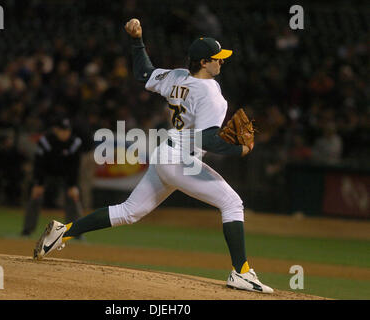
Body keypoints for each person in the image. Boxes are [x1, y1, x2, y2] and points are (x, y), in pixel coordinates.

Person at [33, 19, 273, 294]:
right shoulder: (211, 95)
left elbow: (143, 73)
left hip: (166, 155)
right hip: (181, 160)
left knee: (129, 211)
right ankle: (241, 272)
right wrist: (240, 149)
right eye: (217, 59)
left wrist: (137, 40)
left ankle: (62, 231)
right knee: (232, 204)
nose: (222, 62)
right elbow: (205, 139)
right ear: (204, 62)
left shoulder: (177, 76)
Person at [21, 116, 90, 237]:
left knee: (74, 198)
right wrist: (39, 183)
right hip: (47, 174)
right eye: (62, 130)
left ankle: (77, 232)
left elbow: (75, 167)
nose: (65, 133)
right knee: (35, 195)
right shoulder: (45, 141)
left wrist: (73, 185)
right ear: (55, 130)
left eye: (67, 130)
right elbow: (39, 164)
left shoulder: (75, 143)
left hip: (66, 175)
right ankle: (27, 230)